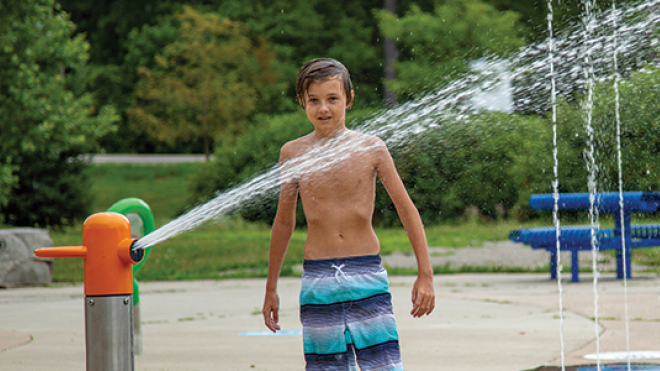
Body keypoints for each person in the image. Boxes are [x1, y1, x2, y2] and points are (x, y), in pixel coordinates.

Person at [262, 58, 435, 371]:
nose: (323, 108)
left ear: (349, 99)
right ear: (301, 102)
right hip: (318, 279)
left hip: (366, 274)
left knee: (382, 365)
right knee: (326, 366)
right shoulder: (292, 153)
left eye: (332, 99)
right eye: (313, 100)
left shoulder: (372, 148)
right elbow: (284, 222)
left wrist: (426, 273)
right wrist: (270, 287)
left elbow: (406, 209)